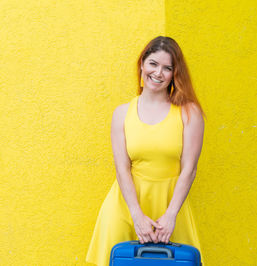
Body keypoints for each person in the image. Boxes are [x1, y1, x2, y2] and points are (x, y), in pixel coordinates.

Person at [85, 36, 205, 266]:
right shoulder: (121, 113)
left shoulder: (189, 113)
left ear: (174, 74)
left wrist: (171, 216)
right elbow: (122, 168)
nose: (158, 73)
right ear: (142, 64)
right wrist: (136, 216)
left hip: (170, 211)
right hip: (126, 208)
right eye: (153, 63)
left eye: (167, 68)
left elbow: (189, 169)